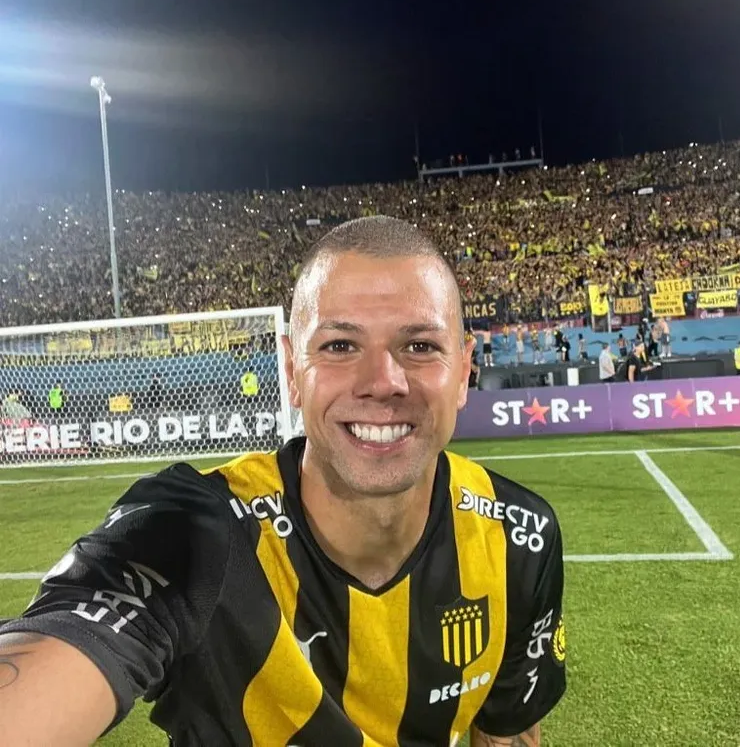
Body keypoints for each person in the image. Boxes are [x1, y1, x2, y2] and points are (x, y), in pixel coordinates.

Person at [0, 216, 566, 747]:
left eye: (420, 346)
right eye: (340, 346)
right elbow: (64, 646)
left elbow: (507, 731)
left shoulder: (520, 537)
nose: (383, 381)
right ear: (293, 372)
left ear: (464, 372)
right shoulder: (198, 533)